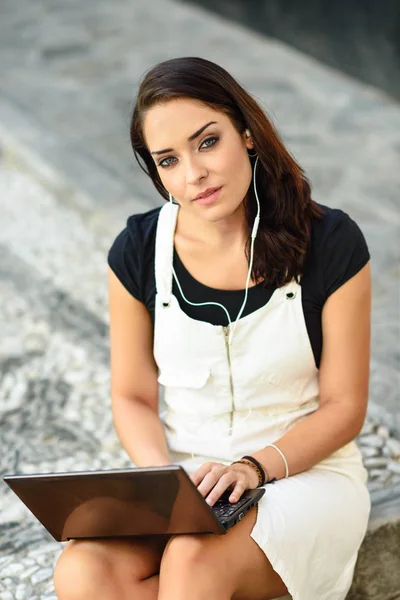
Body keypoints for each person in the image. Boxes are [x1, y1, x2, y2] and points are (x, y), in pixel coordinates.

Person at [53, 56, 372, 600]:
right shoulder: (135, 252)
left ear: (247, 134)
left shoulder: (332, 242)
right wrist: (162, 486)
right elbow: (131, 395)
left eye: (207, 142)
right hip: (191, 481)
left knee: (193, 559)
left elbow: (345, 407)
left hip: (300, 476)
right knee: (82, 572)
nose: (193, 175)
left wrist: (254, 468)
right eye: (168, 161)